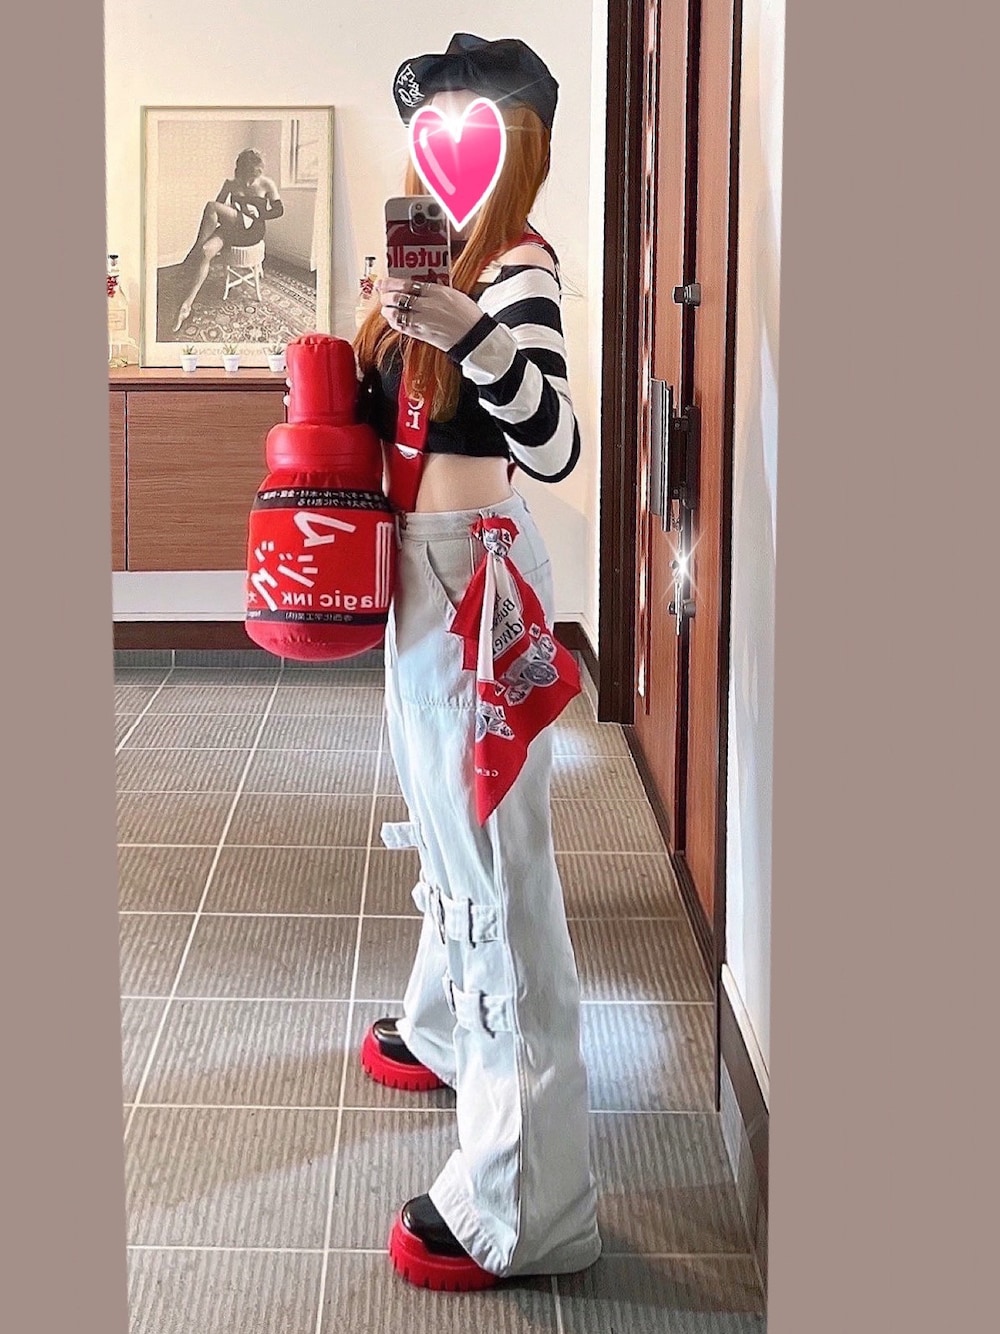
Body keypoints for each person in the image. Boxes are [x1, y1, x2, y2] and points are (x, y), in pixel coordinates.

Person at [351, 33, 601, 1291]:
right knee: (452, 836)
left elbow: (554, 445)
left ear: (522, 144)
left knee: (500, 872)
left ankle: (528, 1202)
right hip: (427, 575)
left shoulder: (517, 268)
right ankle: (450, 1029)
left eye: (472, 122)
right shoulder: (440, 261)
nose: (446, 143)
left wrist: (471, 330)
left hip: (474, 580)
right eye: (432, 123)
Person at [171, 147, 284, 333]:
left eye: (252, 176)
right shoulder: (230, 184)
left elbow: (279, 210)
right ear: (239, 170)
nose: (247, 181)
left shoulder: (266, 184)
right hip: (233, 227)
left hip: (252, 230)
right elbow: (216, 212)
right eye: (245, 176)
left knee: (210, 206)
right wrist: (226, 219)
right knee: (206, 251)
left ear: (258, 171)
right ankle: (186, 306)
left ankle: (192, 255)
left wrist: (260, 213)